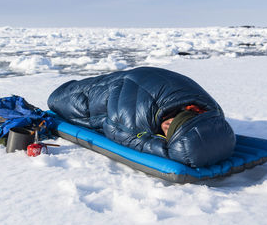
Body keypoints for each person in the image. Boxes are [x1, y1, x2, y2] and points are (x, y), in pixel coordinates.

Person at [48, 67, 235, 167]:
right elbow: (117, 131)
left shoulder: (212, 111)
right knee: (56, 100)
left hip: (147, 78)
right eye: (171, 125)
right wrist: (164, 149)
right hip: (126, 87)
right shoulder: (137, 114)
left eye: (169, 131)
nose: (166, 126)